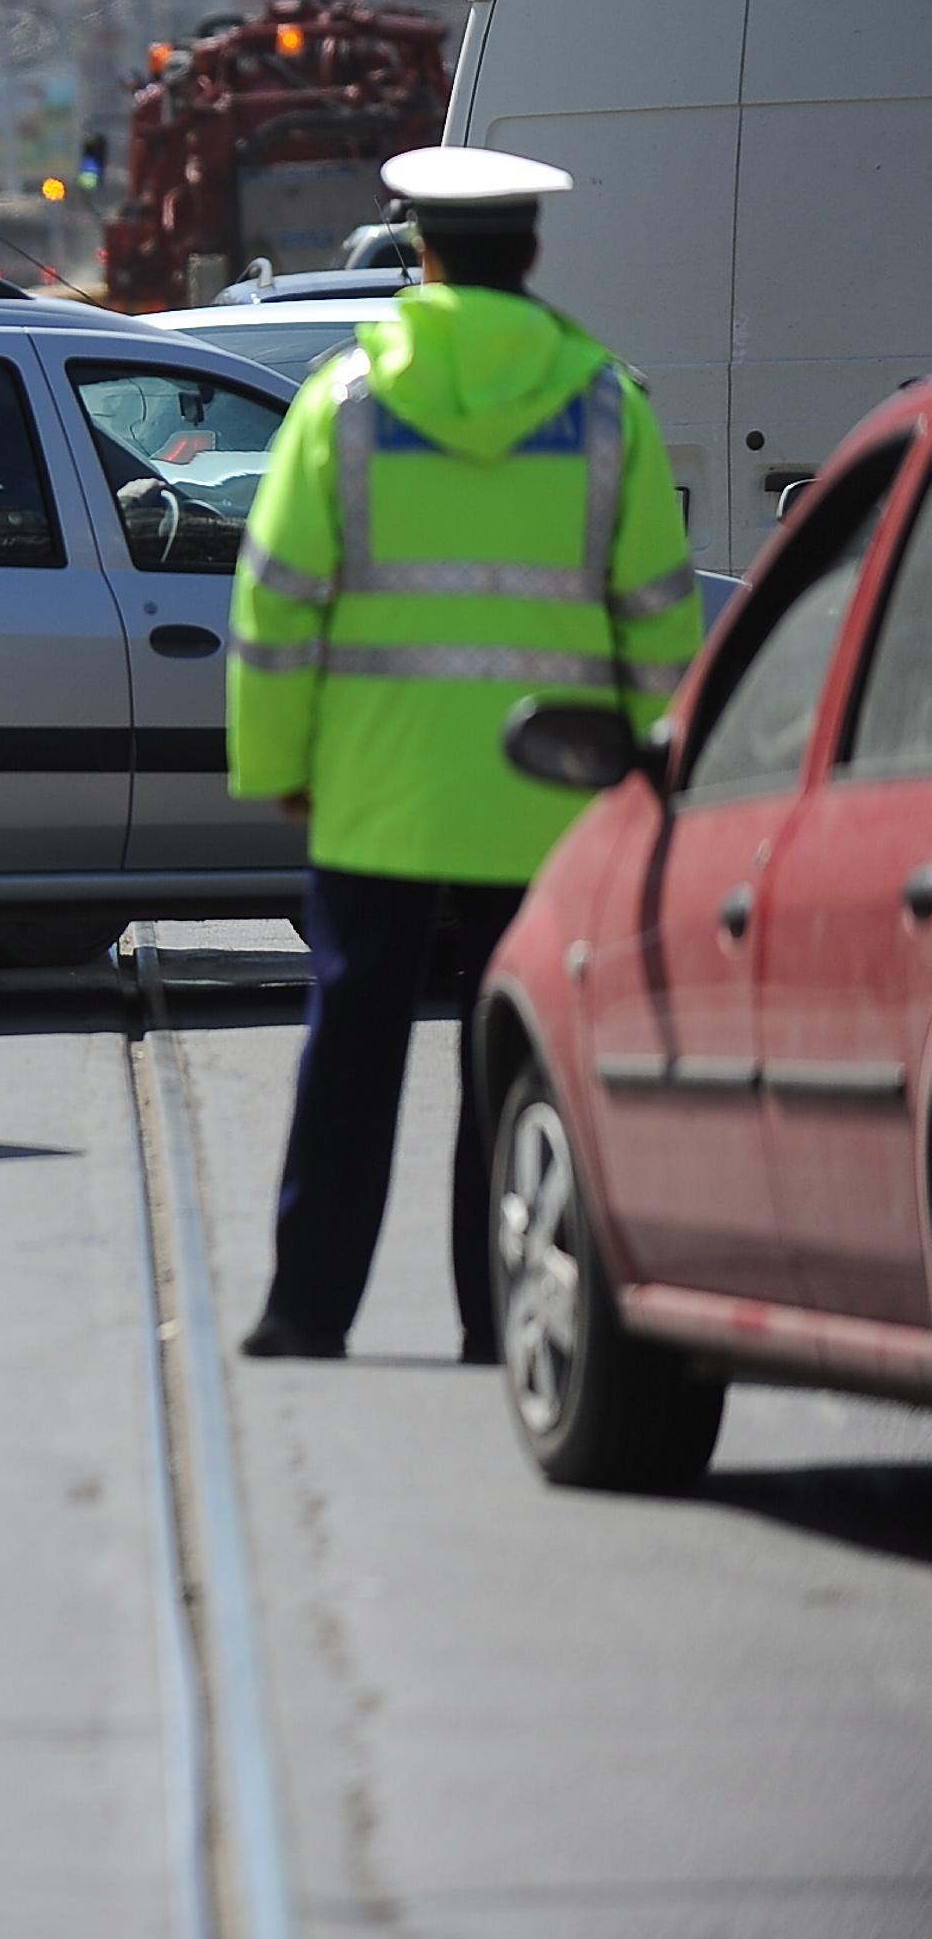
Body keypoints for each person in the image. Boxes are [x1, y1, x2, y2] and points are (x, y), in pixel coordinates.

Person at [227, 147, 703, 1361]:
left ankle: (307, 1308)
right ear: (531, 253)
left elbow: (277, 605)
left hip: (376, 792)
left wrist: (281, 763)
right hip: (549, 804)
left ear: (421, 255)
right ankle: (500, 1316)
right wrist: (652, 778)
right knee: (520, 1062)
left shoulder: (340, 403)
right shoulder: (608, 405)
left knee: (351, 1052)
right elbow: (657, 615)